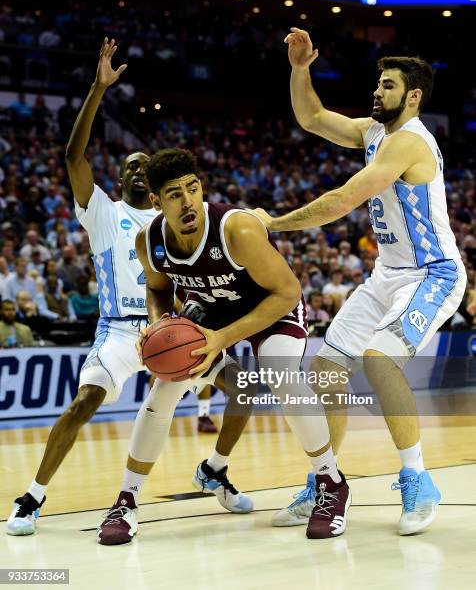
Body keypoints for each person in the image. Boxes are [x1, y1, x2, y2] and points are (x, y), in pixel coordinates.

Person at [255, 27, 466, 535]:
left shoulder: (410, 142)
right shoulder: (373, 133)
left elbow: (345, 200)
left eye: (388, 85)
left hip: (432, 273)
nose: (377, 91)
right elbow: (310, 117)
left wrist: (274, 224)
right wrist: (300, 69)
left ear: (412, 96)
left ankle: (418, 479)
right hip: (386, 275)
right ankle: (326, 481)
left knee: (379, 358)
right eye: (377, 83)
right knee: (327, 366)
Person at [96, 148, 349, 546]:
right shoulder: (150, 240)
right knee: (164, 388)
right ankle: (126, 500)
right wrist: (160, 322)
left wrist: (223, 339)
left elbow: (287, 292)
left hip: (268, 305)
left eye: (192, 189)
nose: (187, 201)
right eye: (175, 194)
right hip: (210, 306)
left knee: (279, 373)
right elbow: (158, 290)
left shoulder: (237, 229)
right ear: (156, 201)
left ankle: (331, 483)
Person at [6, 38, 156, 536]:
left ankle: (216, 470)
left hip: (166, 330)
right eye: (130, 165)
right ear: (119, 176)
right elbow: (73, 155)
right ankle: (33, 495)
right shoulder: (104, 213)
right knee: (81, 404)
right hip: (117, 332)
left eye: (144, 166)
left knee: (235, 388)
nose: (137, 170)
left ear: (155, 179)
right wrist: (97, 88)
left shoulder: (171, 222)